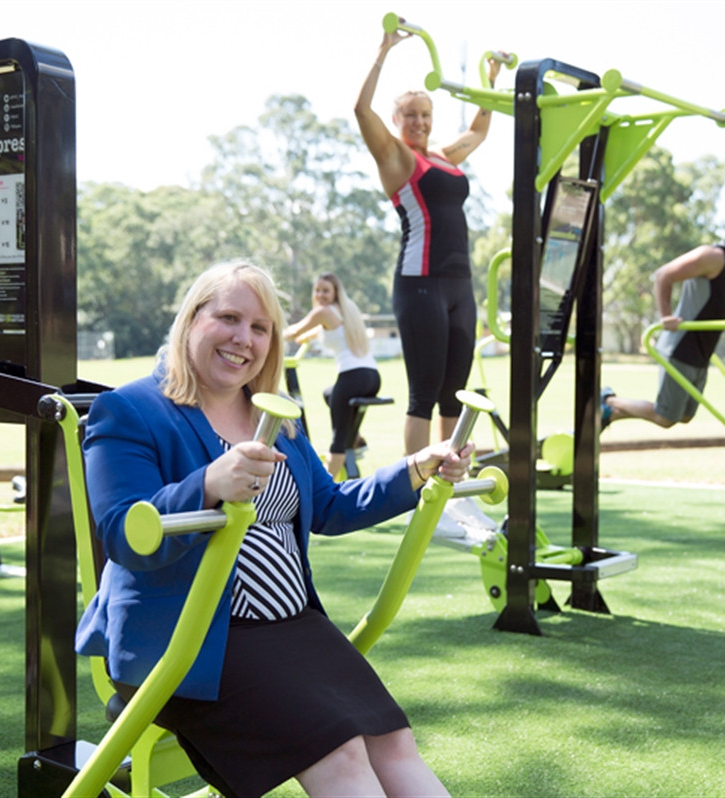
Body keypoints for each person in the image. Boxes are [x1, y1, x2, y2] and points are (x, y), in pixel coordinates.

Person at [76, 260, 473, 797]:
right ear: (192, 319)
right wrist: (208, 484)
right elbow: (123, 533)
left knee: (392, 741)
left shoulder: (276, 419)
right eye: (229, 318)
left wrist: (417, 467)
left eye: (260, 328)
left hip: (295, 629)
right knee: (340, 756)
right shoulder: (129, 410)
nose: (244, 339)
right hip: (194, 643)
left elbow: (331, 506)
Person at [355, 28, 501, 456]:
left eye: (425, 114)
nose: (419, 122)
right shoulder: (396, 157)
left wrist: (489, 80)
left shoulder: (441, 155)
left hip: (460, 286)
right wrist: (381, 51)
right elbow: (360, 109)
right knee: (424, 394)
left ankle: (447, 492)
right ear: (397, 121)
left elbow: (480, 130)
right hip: (420, 284)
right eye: (411, 115)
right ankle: (414, 492)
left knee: (455, 393)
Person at [601, 208, 725, 430]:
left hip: (701, 353)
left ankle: (610, 414)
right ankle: (608, 400)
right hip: (680, 348)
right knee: (665, 418)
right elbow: (663, 275)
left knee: (685, 416)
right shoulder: (713, 257)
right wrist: (666, 315)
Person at [284, 273, 382, 479]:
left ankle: (328, 487)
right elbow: (308, 335)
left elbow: (293, 332)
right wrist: (304, 340)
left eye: (325, 291)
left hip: (352, 377)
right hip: (372, 377)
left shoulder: (323, 312)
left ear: (335, 292)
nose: (320, 295)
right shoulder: (347, 311)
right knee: (329, 393)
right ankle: (355, 437)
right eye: (317, 290)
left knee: (338, 438)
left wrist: (267, 332)